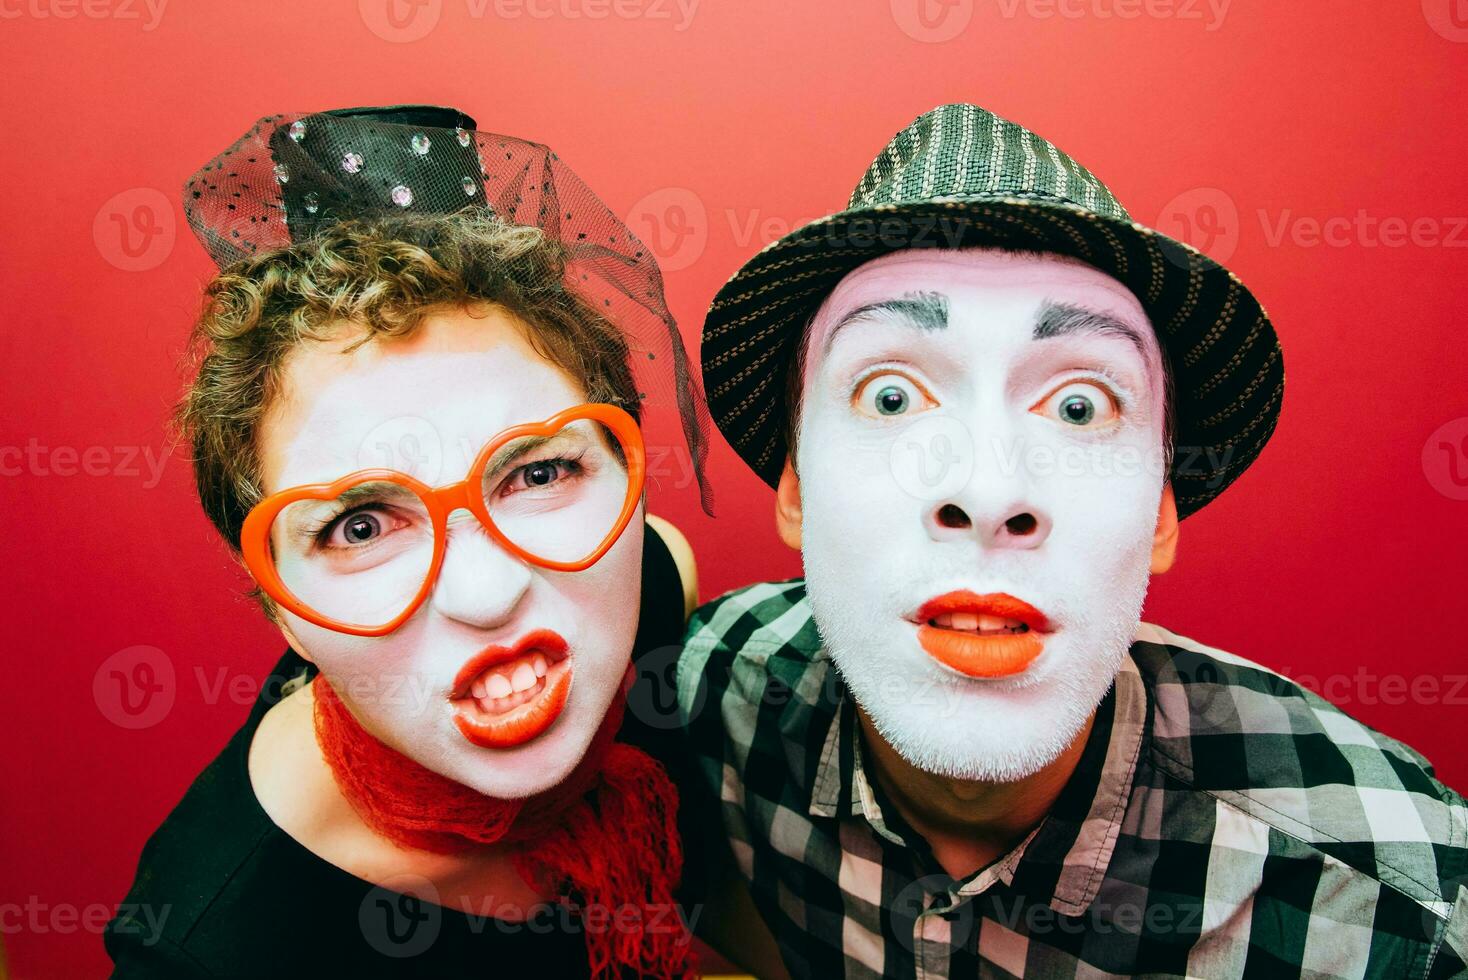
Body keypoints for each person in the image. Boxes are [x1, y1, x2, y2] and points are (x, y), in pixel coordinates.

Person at [677, 103, 1468, 978]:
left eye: (1080, 406)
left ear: (1162, 514)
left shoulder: (1406, 914)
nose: (988, 494)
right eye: (891, 396)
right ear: (795, 490)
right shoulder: (714, 681)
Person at [105, 104, 717, 978]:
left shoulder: (654, 580)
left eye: (538, 474)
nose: (486, 591)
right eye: (360, 526)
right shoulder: (214, 949)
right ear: (283, 609)